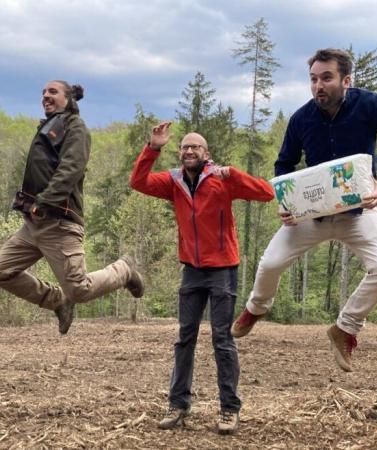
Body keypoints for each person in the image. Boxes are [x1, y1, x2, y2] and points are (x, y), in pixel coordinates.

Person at [231, 48, 377, 372]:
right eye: (313, 79)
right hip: (311, 214)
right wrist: (286, 203)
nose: (318, 86)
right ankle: (256, 308)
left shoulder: (369, 105)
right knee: (271, 263)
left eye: (326, 78)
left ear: (345, 80)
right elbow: (284, 164)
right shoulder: (301, 119)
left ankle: (345, 328)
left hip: (359, 212)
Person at [130, 122, 274, 434]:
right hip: (191, 271)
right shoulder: (174, 182)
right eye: (184, 147)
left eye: (195, 147)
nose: (189, 150)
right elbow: (138, 181)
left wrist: (233, 174)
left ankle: (229, 409)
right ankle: (179, 405)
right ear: (180, 153)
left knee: (222, 340)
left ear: (206, 153)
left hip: (222, 269)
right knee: (185, 339)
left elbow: (267, 193)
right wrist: (153, 147)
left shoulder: (222, 180)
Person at [0, 80, 144, 334]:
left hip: (59, 222)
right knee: (0, 272)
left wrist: (45, 201)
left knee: (80, 290)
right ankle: (57, 300)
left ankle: (124, 270)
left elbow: (71, 169)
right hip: (33, 223)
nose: (45, 96)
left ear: (69, 98)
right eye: (43, 93)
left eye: (52, 92)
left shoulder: (75, 128)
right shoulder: (49, 127)